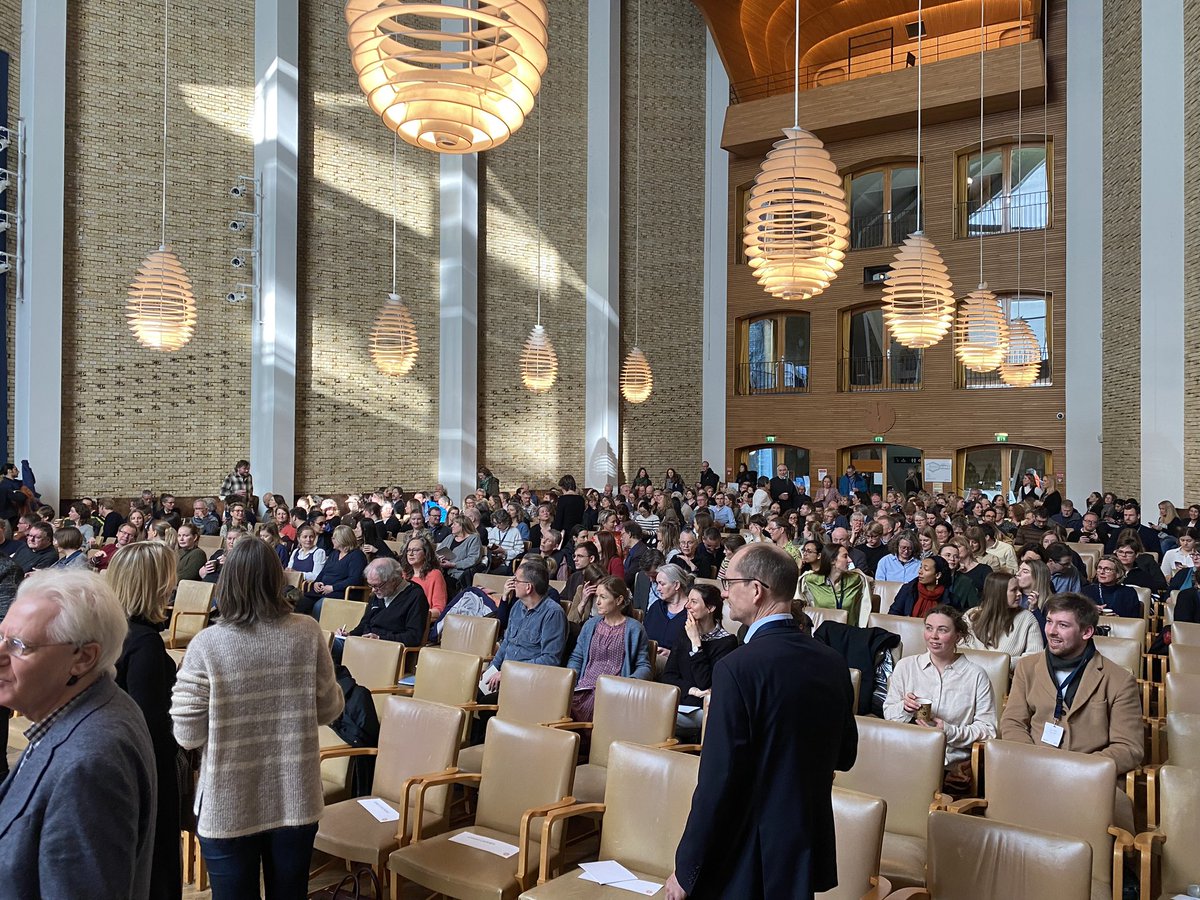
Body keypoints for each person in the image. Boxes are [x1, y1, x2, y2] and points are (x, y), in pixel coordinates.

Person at [666, 544, 857, 899]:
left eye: (729, 581)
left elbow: (718, 779)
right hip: (803, 842)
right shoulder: (832, 662)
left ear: (756, 590)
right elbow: (845, 755)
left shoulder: (737, 668)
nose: (723, 591)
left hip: (748, 850)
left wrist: (686, 867)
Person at [171, 538, 343, 899]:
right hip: (294, 794)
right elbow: (329, 710)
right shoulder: (307, 632)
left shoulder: (207, 644)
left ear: (227, 582)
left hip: (228, 797)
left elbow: (187, 734)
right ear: (276, 580)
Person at [0, 570, 156, 898]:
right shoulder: (92, 706)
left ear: (83, 658)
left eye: (18, 646)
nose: (0, 654)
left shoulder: (89, 763)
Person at [999, 592, 1143, 833]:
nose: (1052, 631)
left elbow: (1129, 747)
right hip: (1031, 771)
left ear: (1087, 632)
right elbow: (1013, 722)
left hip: (1088, 780)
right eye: (1050, 622)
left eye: (1063, 625)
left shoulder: (1119, 680)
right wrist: (1033, 759)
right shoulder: (1027, 667)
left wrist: (1077, 769)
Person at [110, 541, 183, 900]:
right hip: (146, 772)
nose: (173, 585)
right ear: (154, 585)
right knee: (156, 868)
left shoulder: (108, 632)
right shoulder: (145, 644)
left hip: (115, 765)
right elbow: (150, 726)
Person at [883, 604, 998, 795]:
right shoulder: (906, 666)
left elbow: (989, 731)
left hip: (951, 766)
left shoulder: (976, 676)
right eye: (929, 628)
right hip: (908, 758)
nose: (933, 636)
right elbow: (888, 714)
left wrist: (949, 731)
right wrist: (905, 708)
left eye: (942, 630)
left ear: (958, 636)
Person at [566, 577, 652, 721]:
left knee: (584, 709)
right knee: (554, 703)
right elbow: (577, 658)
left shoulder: (634, 629)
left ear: (618, 600)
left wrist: (629, 683)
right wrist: (570, 682)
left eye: (603, 597)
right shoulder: (590, 625)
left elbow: (644, 666)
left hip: (613, 691)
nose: (597, 602)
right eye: (596, 597)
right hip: (584, 688)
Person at [659, 582, 738, 737]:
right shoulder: (684, 634)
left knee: (655, 720)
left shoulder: (727, 642)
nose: (687, 606)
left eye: (694, 602)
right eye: (688, 600)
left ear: (710, 608)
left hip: (703, 710)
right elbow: (668, 677)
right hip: (680, 702)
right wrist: (692, 690)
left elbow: (706, 683)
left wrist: (696, 643)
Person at [483, 559, 568, 695]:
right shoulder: (517, 606)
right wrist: (491, 669)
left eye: (516, 580)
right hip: (503, 675)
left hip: (527, 681)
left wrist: (510, 672)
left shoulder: (553, 614)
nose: (513, 583)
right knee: (468, 692)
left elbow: (550, 659)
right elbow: (506, 644)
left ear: (528, 587)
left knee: (483, 704)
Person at [335, 557, 429, 662]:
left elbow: (413, 637)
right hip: (364, 645)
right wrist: (349, 635)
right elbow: (364, 624)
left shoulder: (415, 596)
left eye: (377, 586)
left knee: (327, 650)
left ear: (394, 580)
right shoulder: (378, 593)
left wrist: (380, 639)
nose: (373, 590)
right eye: (370, 585)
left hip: (388, 652)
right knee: (325, 644)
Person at [962, 572, 1044, 662]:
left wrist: (1004, 664)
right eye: (1014, 590)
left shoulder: (1027, 618)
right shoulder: (971, 616)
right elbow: (959, 647)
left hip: (1008, 674)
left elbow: (1034, 656)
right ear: (998, 593)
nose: (1019, 594)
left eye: (1019, 589)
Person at [299, 524, 367, 617]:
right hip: (324, 590)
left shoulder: (357, 555)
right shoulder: (334, 553)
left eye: (334, 538)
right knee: (302, 602)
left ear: (343, 539)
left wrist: (333, 587)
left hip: (342, 592)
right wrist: (317, 582)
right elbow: (323, 572)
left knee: (320, 605)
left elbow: (355, 579)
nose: (332, 540)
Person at [800, 543, 865, 625]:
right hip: (822, 632)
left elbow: (870, 584)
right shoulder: (811, 580)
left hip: (849, 631)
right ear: (832, 560)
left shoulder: (855, 580)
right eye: (845, 556)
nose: (850, 560)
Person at [643, 563, 692, 669]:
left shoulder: (692, 611)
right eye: (657, 584)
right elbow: (644, 636)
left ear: (676, 585)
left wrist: (672, 654)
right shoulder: (656, 607)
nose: (658, 589)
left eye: (662, 584)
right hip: (648, 658)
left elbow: (695, 650)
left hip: (677, 665)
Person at [889, 555, 958, 617]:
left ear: (937, 575)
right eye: (920, 567)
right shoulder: (908, 589)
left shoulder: (949, 598)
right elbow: (893, 614)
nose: (920, 572)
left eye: (926, 569)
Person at [401, 534, 448, 620]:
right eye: (408, 550)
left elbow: (439, 610)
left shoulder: (435, 575)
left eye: (415, 550)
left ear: (426, 553)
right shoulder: (404, 574)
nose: (411, 554)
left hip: (420, 622)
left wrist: (415, 615)